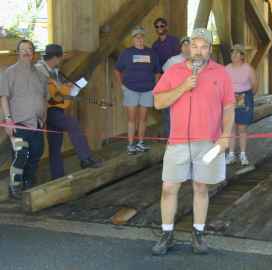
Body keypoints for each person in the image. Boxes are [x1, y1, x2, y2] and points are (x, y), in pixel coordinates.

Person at [151, 28, 235, 255]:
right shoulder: (174, 71)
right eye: (195, 46)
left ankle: (198, 234)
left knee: (201, 187)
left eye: (204, 47)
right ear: (188, 46)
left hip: (208, 141)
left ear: (210, 49)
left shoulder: (221, 73)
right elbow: (158, 102)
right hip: (178, 141)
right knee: (169, 188)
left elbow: (229, 106)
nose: (199, 51)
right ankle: (166, 234)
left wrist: (226, 134)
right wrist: (183, 86)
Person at [35, 44, 102, 180]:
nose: (61, 61)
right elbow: (47, 92)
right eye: (60, 58)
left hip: (54, 109)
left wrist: (67, 87)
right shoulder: (40, 70)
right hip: (46, 110)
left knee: (55, 145)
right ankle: (85, 159)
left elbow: (57, 90)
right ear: (55, 58)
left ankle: (57, 176)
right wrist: (64, 90)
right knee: (73, 124)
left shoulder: (53, 70)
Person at [0, 39, 48, 198]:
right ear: (18, 52)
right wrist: (8, 120)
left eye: (29, 49)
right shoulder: (9, 73)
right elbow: (4, 97)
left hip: (36, 125)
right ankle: (15, 186)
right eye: (23, 49)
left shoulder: (41, 75)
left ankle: (28, 182)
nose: (26, 52)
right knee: (21, 154)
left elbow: (44, 98)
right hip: (19, 125)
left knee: (36, 152)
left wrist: (44, 118)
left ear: (33, 53)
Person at [115, 26, 161, 155]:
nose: (139, 39)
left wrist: (156, 86)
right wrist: (121, 85)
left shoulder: (151, 53)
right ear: (133, 39)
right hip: (130, 89)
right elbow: (117, 69)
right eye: (136, 37)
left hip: (147, 90)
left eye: (141, 36)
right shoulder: (126, 53)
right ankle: (130, 144)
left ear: (144, 38)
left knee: (144, 118)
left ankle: (140, 143)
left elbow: (157, 71)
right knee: (131, 119)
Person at [225, 44, 257, 165]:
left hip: (244, 97)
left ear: (242, 56)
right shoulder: (226, 68)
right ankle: (231, 154)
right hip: (230, 97)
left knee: (242, 128)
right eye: (232, 52)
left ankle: (243, 154)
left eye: (237, 53)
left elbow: (254, 85)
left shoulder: (248, 68)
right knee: (231, 127)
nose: (234, 55)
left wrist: (248, 98)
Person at [152, 17, 180, 138]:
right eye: (157, 26)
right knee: (166, 110)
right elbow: (156, 66)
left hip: (177, 78)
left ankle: (180, 135)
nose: (160, 28)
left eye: (162, 26)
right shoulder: (155, 45)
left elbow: (179, 60)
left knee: (179, 107)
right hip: (164, 80)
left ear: (166, 27)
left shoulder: (174, 41)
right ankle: (170, 136)